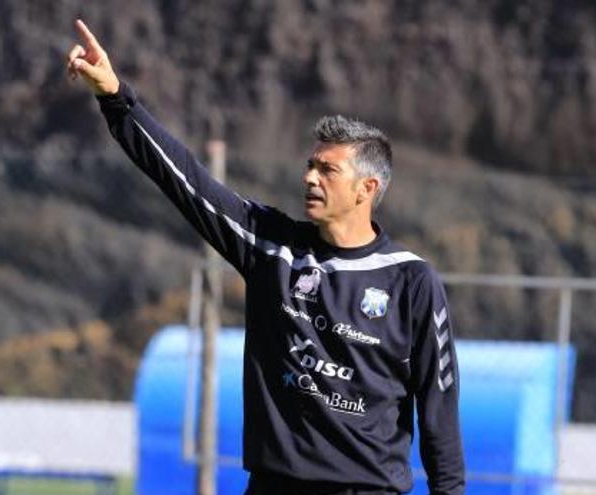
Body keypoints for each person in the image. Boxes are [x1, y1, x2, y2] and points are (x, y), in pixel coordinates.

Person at [67, 19, 464, 495]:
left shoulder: (412, 282)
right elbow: (187, 181)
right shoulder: (271, 246)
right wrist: (115, 97)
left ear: (367, 188)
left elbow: (439, 411)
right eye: (310, 166)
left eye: (328, 170)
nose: (311, 178)